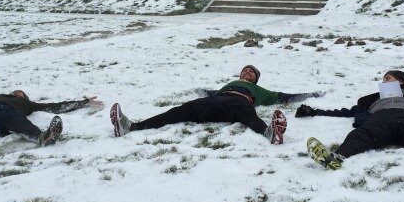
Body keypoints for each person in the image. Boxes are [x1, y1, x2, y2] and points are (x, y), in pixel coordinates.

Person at [110, 65, 323, 144]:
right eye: (245, 70)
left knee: (249, 116)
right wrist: (198, 90)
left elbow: (284, 96)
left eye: (252, 72)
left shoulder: (259, 91)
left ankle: (270, 134)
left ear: (255, 79)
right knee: (180, 111)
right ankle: (132, 127)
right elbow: (209, 92)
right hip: (214, 102)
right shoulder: (228, 84)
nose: (247, 72)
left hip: (240, 104)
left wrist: (311, 94)